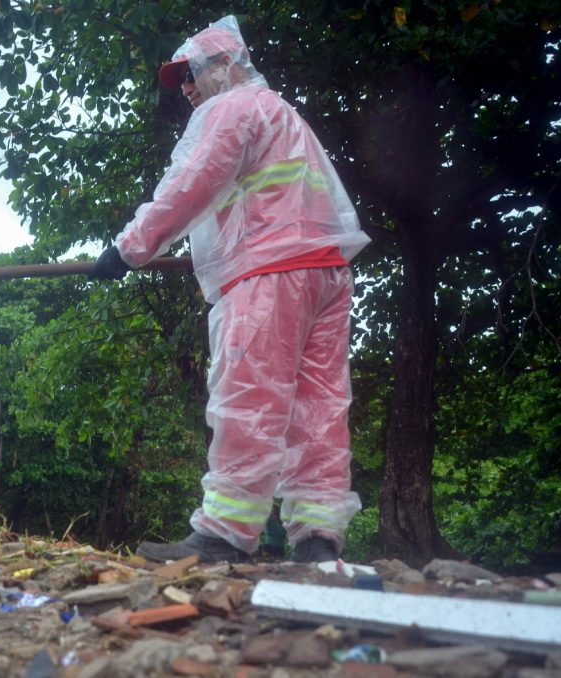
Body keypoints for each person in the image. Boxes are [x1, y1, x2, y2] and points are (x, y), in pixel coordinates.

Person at [89, 16, 370, 564]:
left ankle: (225, 534)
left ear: (225, 64)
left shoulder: (233, 109)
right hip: (325, 272)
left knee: (250, 396)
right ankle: (317, 538)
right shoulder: (285, 114)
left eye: (191, 74)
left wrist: (128, 249)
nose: (187, 88)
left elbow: (192, 184)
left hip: (269, 272)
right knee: (318, 409)